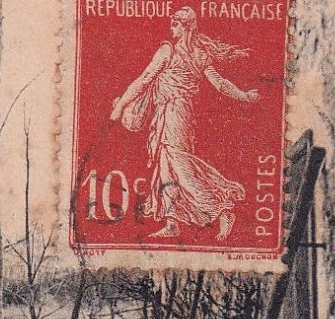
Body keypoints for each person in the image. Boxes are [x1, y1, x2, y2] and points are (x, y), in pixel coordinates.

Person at [110, 7, 260, 241]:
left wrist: (120, 107)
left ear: (185, 26)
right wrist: (244, 95)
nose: (171, 28)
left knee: (180, 166)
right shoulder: (199, 54)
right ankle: (172, 222)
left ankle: (221, 209)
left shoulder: (168, 51)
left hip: (175, 113)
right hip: (174, 114)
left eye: (175, 24)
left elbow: (144, 79)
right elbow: (219, 84)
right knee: (165, 167)